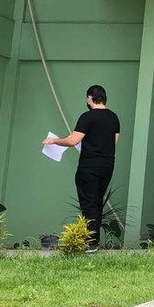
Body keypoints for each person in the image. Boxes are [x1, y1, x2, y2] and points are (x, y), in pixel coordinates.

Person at [42, 85, 120, 253]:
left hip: (89, 165)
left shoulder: (87, 117)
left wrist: (54, 141)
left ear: (90, 98)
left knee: (88, 204)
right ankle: (94, 241)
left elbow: (73, 140)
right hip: (107, 165)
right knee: (97, 202)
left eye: (87, 98)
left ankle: (90, 243)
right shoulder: (114, 118)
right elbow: (114, 143)